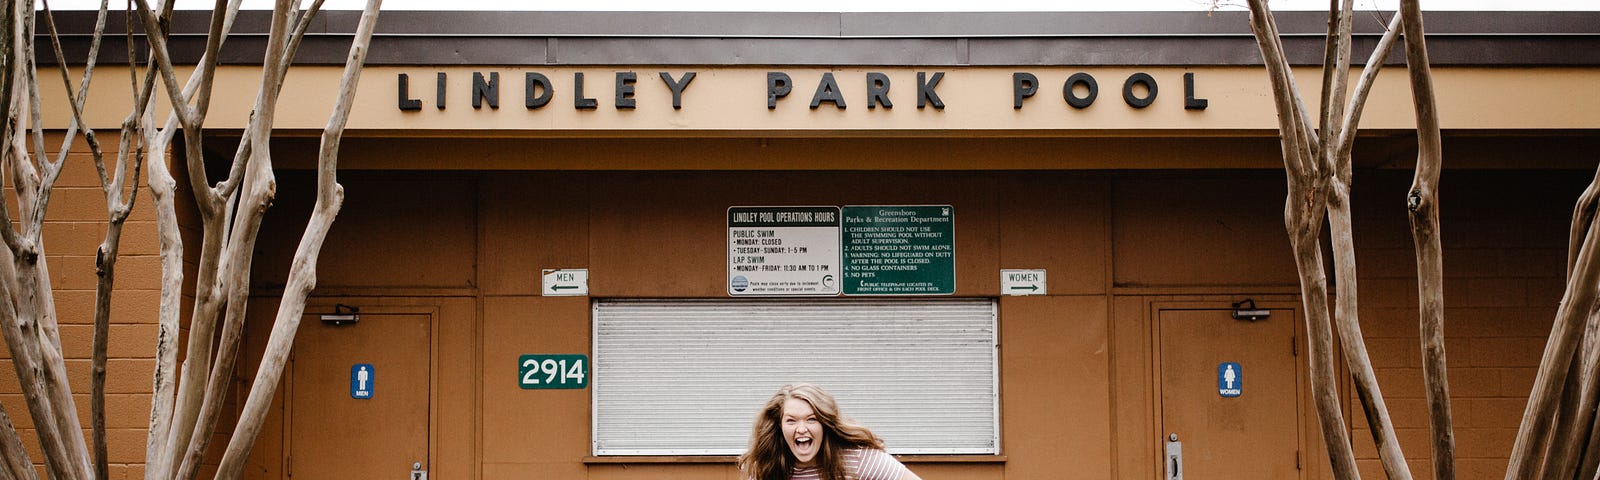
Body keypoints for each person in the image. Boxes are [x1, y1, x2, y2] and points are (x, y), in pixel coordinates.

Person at [738, 383, 923, 480]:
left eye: (811, 419)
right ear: (779, 427)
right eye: (791, 421)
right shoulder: (768, 469)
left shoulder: (860, 461)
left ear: (825, 424)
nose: (801, 429)